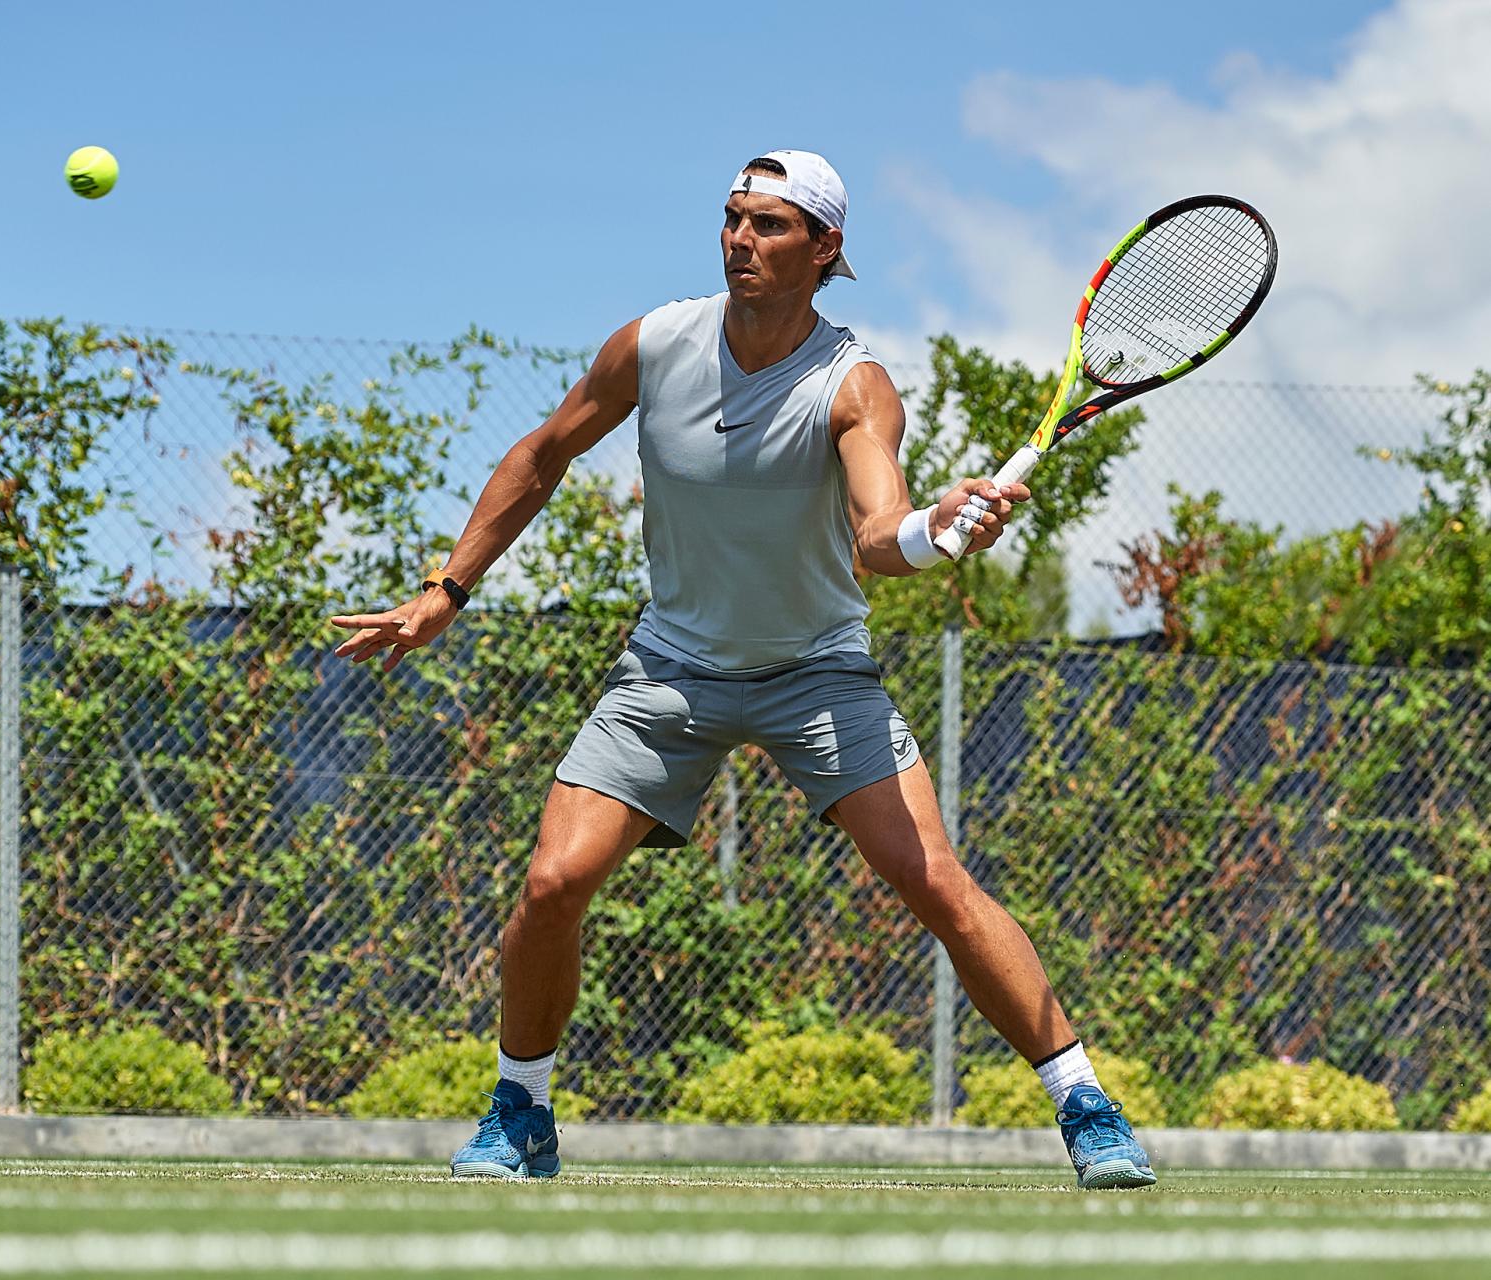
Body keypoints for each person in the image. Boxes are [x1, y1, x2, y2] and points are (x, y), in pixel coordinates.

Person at [331, 150, 1155, 1190]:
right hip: (669, 667)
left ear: (824, 249)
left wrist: (937, 527)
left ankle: (1083, 1101)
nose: (738, 242)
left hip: (816, 671)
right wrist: (445, 590)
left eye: (768, 226)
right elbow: (543, 452)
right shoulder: (653, 343)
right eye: (730, 220)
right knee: (551, 883)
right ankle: (520, 1109)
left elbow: (875, 533)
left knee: (933, 881)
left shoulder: (852, 385)